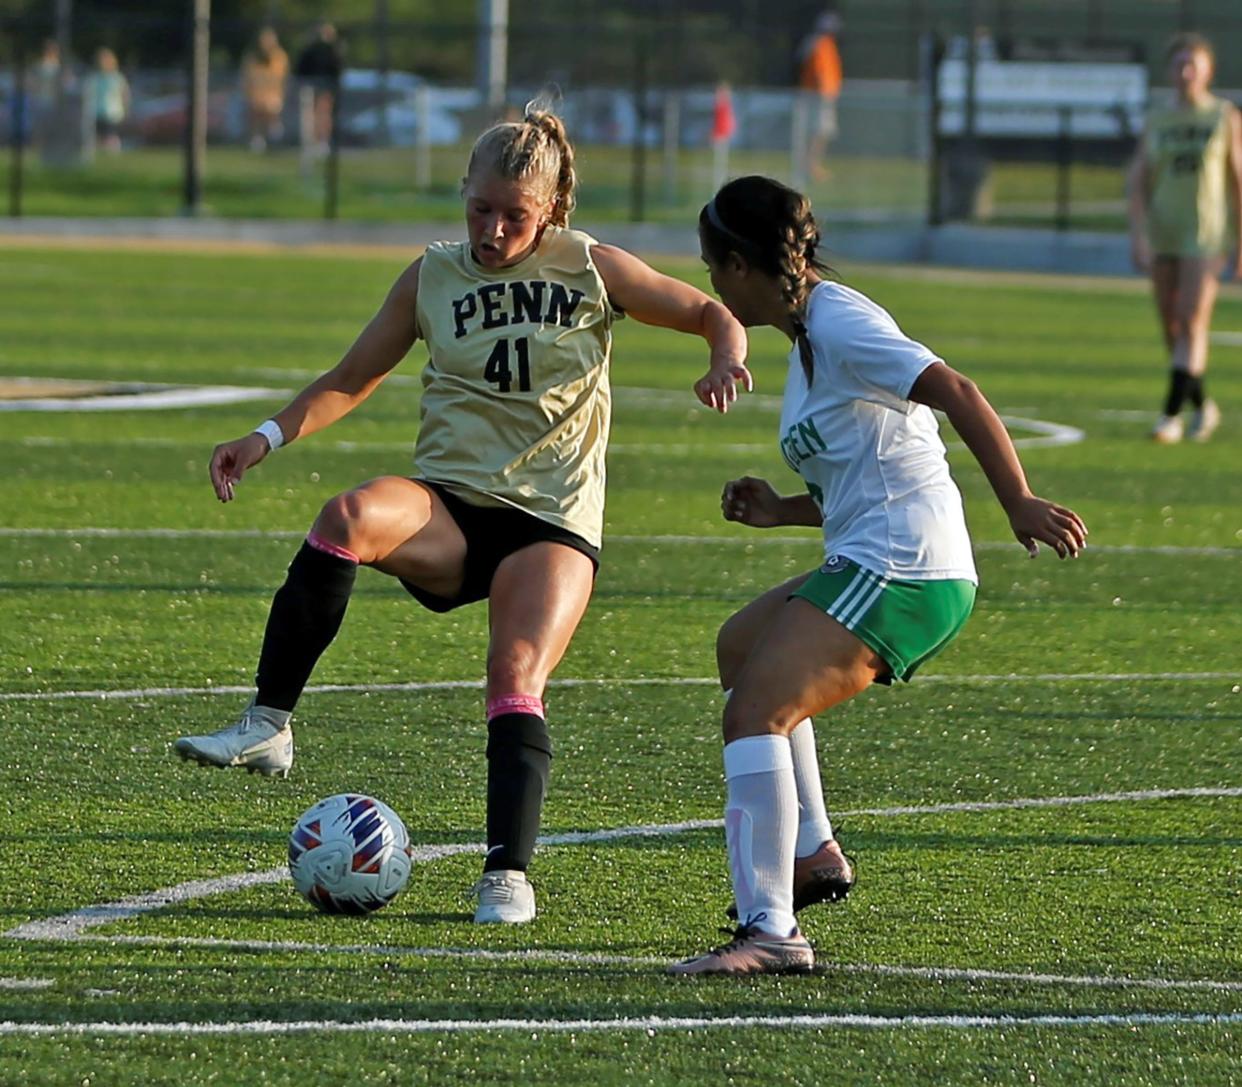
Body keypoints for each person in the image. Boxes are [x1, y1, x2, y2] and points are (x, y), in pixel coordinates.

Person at [174, 106, 752, 926]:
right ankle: (269, 722)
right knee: (345, 514)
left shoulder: (590, 266)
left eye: (515, 215)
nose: (492, 229)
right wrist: (264, 437)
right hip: (447, 506)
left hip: (549, 521)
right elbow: (352, 374)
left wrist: (726, 354)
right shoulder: (432, 274)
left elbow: (706, 311)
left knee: (514, 674)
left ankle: (506, 874)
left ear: (550, 210)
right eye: (479, 208)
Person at [668, 175, 1087, 976]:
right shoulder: (809, 338)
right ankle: (811, 848)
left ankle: (771, 932)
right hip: (874, 551)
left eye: (711, 266)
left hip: (907, 568)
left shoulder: (840, 320)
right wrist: (779, 509)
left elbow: (956, 391)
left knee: (753, 712)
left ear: (743, 266)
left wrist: (1019, 500)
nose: (710, 284)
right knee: (740, 647)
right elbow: (865, 478)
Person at [1127, 32, 1242, 444]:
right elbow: (1139, 180)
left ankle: (1170, 415)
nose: (1186, 72)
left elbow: (1236, 179)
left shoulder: (1222, 116)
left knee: (1193, 320)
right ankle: (1202, 405)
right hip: (1164, 232)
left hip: (1206, 234)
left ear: (1208, 70)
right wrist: (1139, 234)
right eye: (1179, 64)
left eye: (1194, 64)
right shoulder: (1158, 119)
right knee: (1172, 326)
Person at [796, 11, 843, 182]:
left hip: (821, 94)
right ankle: (810, 166)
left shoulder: (824, 44)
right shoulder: (820, 44)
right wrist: (824, 91)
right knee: (819, 131)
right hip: (819, 96)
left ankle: (811, 164)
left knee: (821, 132)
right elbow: (819, 71)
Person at [295, 22, 344, 160]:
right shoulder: (310, 50)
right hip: (310, 88)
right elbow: (302, 67)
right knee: (309, 116)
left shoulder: (333, 51)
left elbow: (337, 69)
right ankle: (309, 142)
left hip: (326, 88)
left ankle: (322, 142)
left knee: (324, 115)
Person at [242, 27, 289, 152]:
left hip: (273, 95)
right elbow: (248, 77)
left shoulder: (279, 57)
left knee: (272, 114)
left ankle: (275, 141)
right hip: (256, 94)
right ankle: (257, 140)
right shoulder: (253, 57)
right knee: (256, 116)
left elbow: (279, 77)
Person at [84, 47, 129, 154]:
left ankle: (112, 154)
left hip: (112, 113)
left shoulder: (117, 78)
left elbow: (124, 94)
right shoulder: (94, 78)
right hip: (95, 112)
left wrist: (126, 109)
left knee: (110, 136)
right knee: (96, 136)